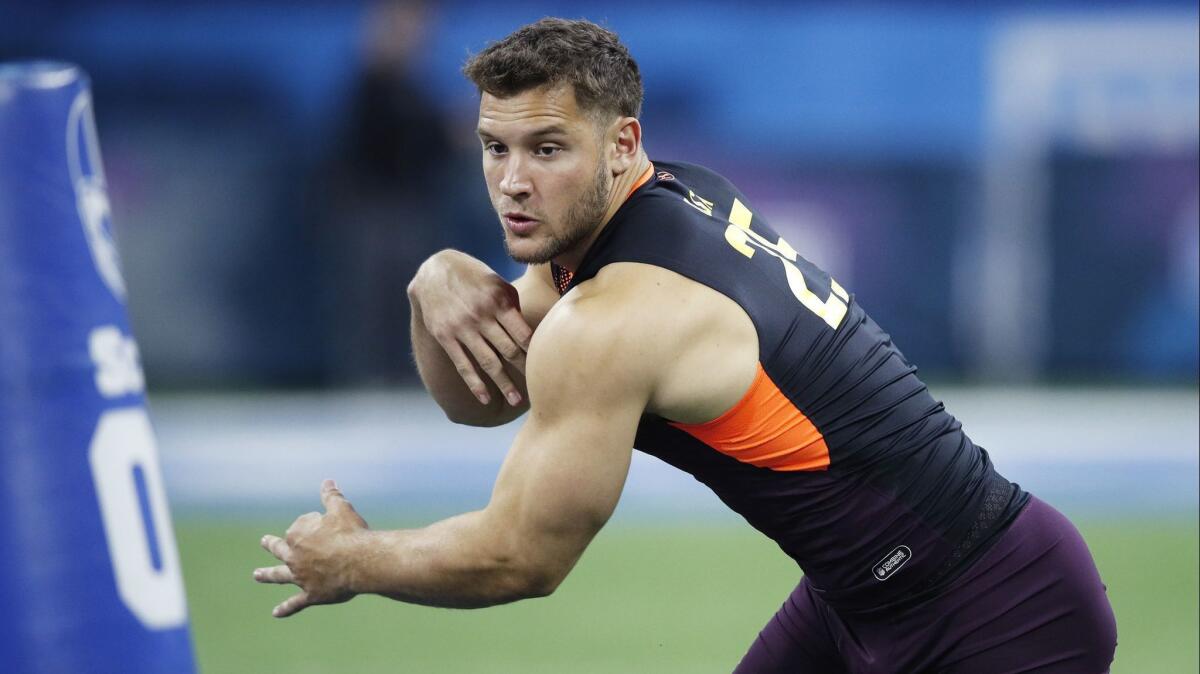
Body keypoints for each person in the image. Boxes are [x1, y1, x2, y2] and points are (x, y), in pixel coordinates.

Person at [255, 18, 1117, 672]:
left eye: (547, 148)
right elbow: (483, 396)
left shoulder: (612, 315)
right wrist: (433, 282)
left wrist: (356, 561)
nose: (514, 181)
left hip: (1001, 606)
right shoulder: (643, 213)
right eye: (494, 148)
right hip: (860, 598)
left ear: (621, 143)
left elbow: (522, 558)